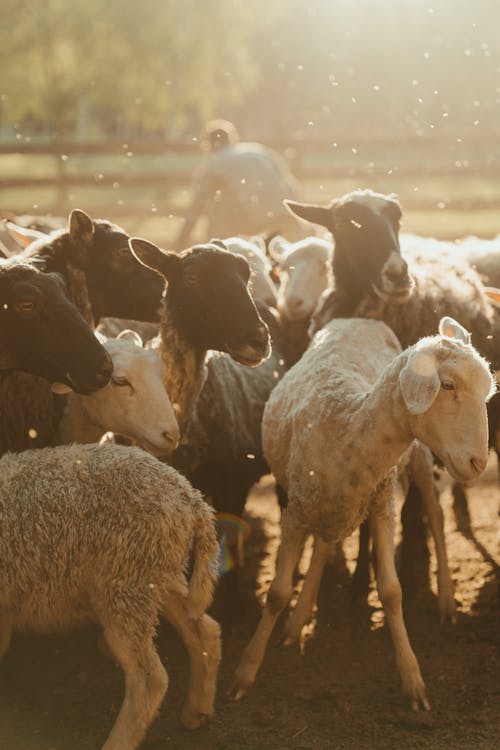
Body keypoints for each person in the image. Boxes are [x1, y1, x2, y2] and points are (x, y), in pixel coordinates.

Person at [175, 119, 306, 249]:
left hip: (257, 222)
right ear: (232, 139)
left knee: (218, 215)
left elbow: (196, 207)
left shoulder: (213, 164)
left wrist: (180, 242)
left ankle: (217, 252)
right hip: (287, 212)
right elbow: (290, 182)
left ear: (208, 144)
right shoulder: (258, 150)